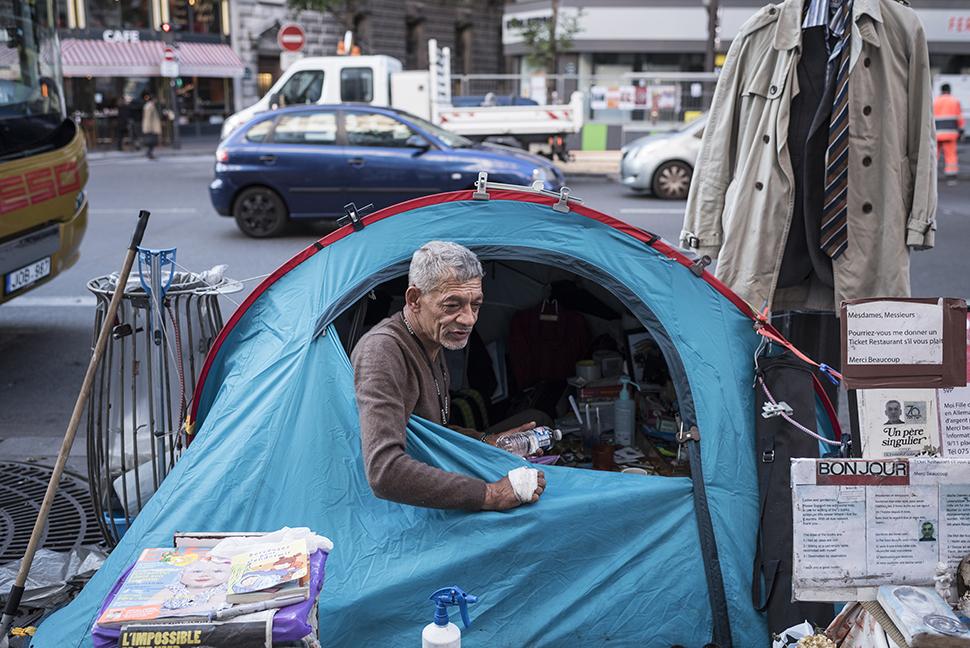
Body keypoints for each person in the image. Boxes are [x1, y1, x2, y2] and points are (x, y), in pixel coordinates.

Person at [352, 241, 547, 511]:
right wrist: (489, 495)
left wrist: (486, 441)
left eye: (475, 305)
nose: (468, 319)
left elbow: (429, 430)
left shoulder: (432, 338)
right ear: (414, 299)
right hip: (388, 515)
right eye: (452, 305)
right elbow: (384, 471)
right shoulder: (382, 351)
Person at [934, 83, 964, 182]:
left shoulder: (935, 101)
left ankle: (932, 176)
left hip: (936, 134)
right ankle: (951, 177)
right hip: (950, 134)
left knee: (934, 155)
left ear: (941, 91)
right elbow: (959, 118)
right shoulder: (954, 101)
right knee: (950, 155)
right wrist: (961, 130)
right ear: (949, 90)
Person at [141, 92, 162, 160]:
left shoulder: (149, 106)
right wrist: (149, 127)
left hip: (150, 126)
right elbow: (148, 117)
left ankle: (149, 153)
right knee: (152, 141)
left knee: (152, 141)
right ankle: (149, 153)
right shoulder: (150, 106)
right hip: (151, 127)